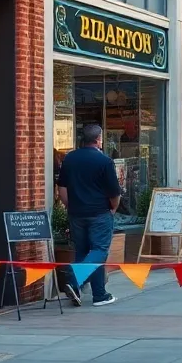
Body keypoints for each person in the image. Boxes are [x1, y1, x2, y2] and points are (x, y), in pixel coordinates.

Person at [57, 125, 122, 306]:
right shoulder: (104, 161)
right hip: (99, 213)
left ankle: (99, 294)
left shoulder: (69, 158)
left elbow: (62, 187)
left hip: (76, 213)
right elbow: (114, 192)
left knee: (83, 251)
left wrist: (69, 205)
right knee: (99, 251)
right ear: (98, 139)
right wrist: (113, 209)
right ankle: (73, 281)